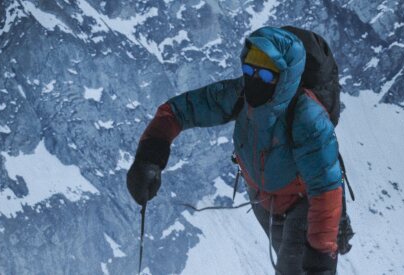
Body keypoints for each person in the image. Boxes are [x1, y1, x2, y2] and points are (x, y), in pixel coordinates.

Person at [125, 26, 352, 275]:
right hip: (264, 199)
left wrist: (321, 257)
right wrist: (149, 157)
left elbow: (326, 187)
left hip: (305, 202)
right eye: (249, 70)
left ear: (285, 78)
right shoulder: (241, 94)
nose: (254, 80)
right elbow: (178, 111)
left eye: (265, 76)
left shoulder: (308, 117)